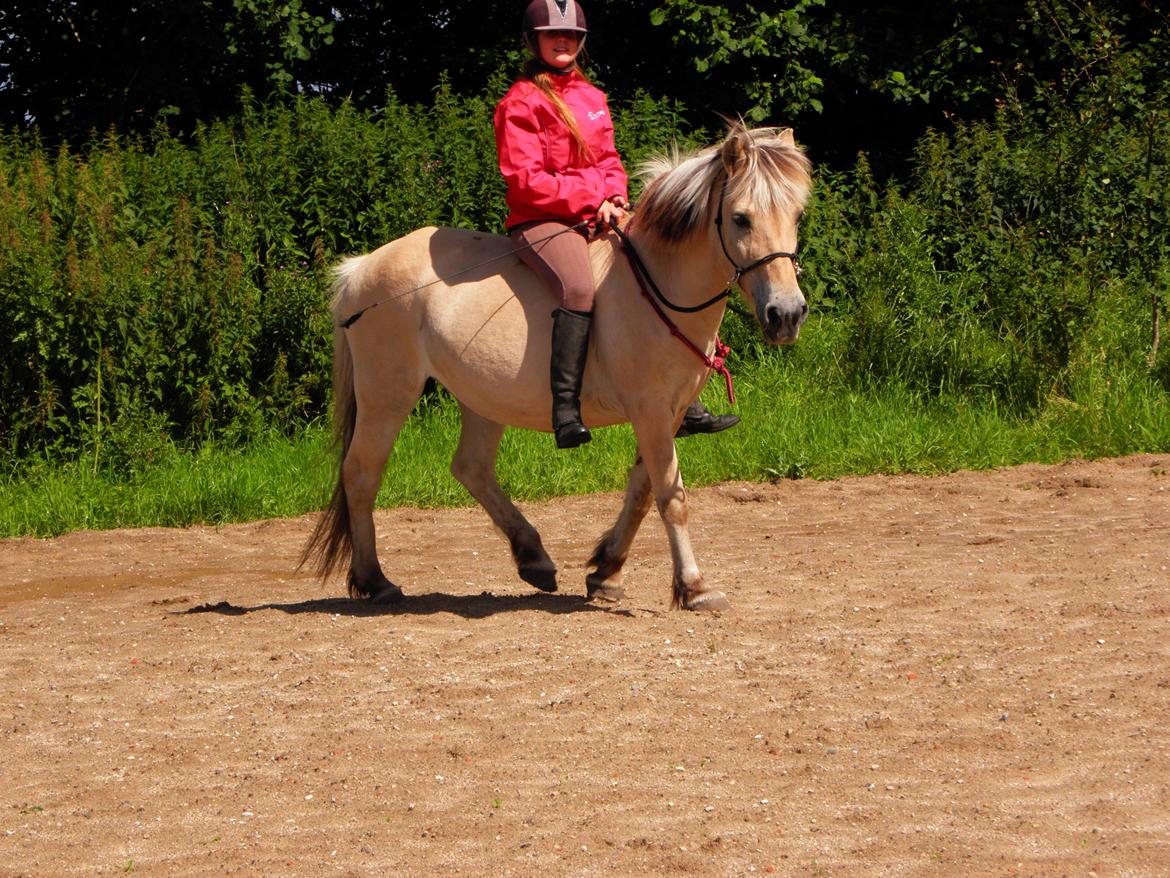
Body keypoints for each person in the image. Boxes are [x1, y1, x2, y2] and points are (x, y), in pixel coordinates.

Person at [494, 0, 738, 447]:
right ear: (535, 41)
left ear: (581, 41)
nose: (562, 41)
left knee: (661, 265)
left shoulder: (591, 98)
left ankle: (685, 403)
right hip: (542, 221)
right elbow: (524, 180)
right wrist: (592, 199)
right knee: (580, 289)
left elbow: (608, 159)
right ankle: (565, 408)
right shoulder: (519, 102)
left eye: (570, 35)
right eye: (552, 34)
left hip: (596, 214)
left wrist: (616, 194)